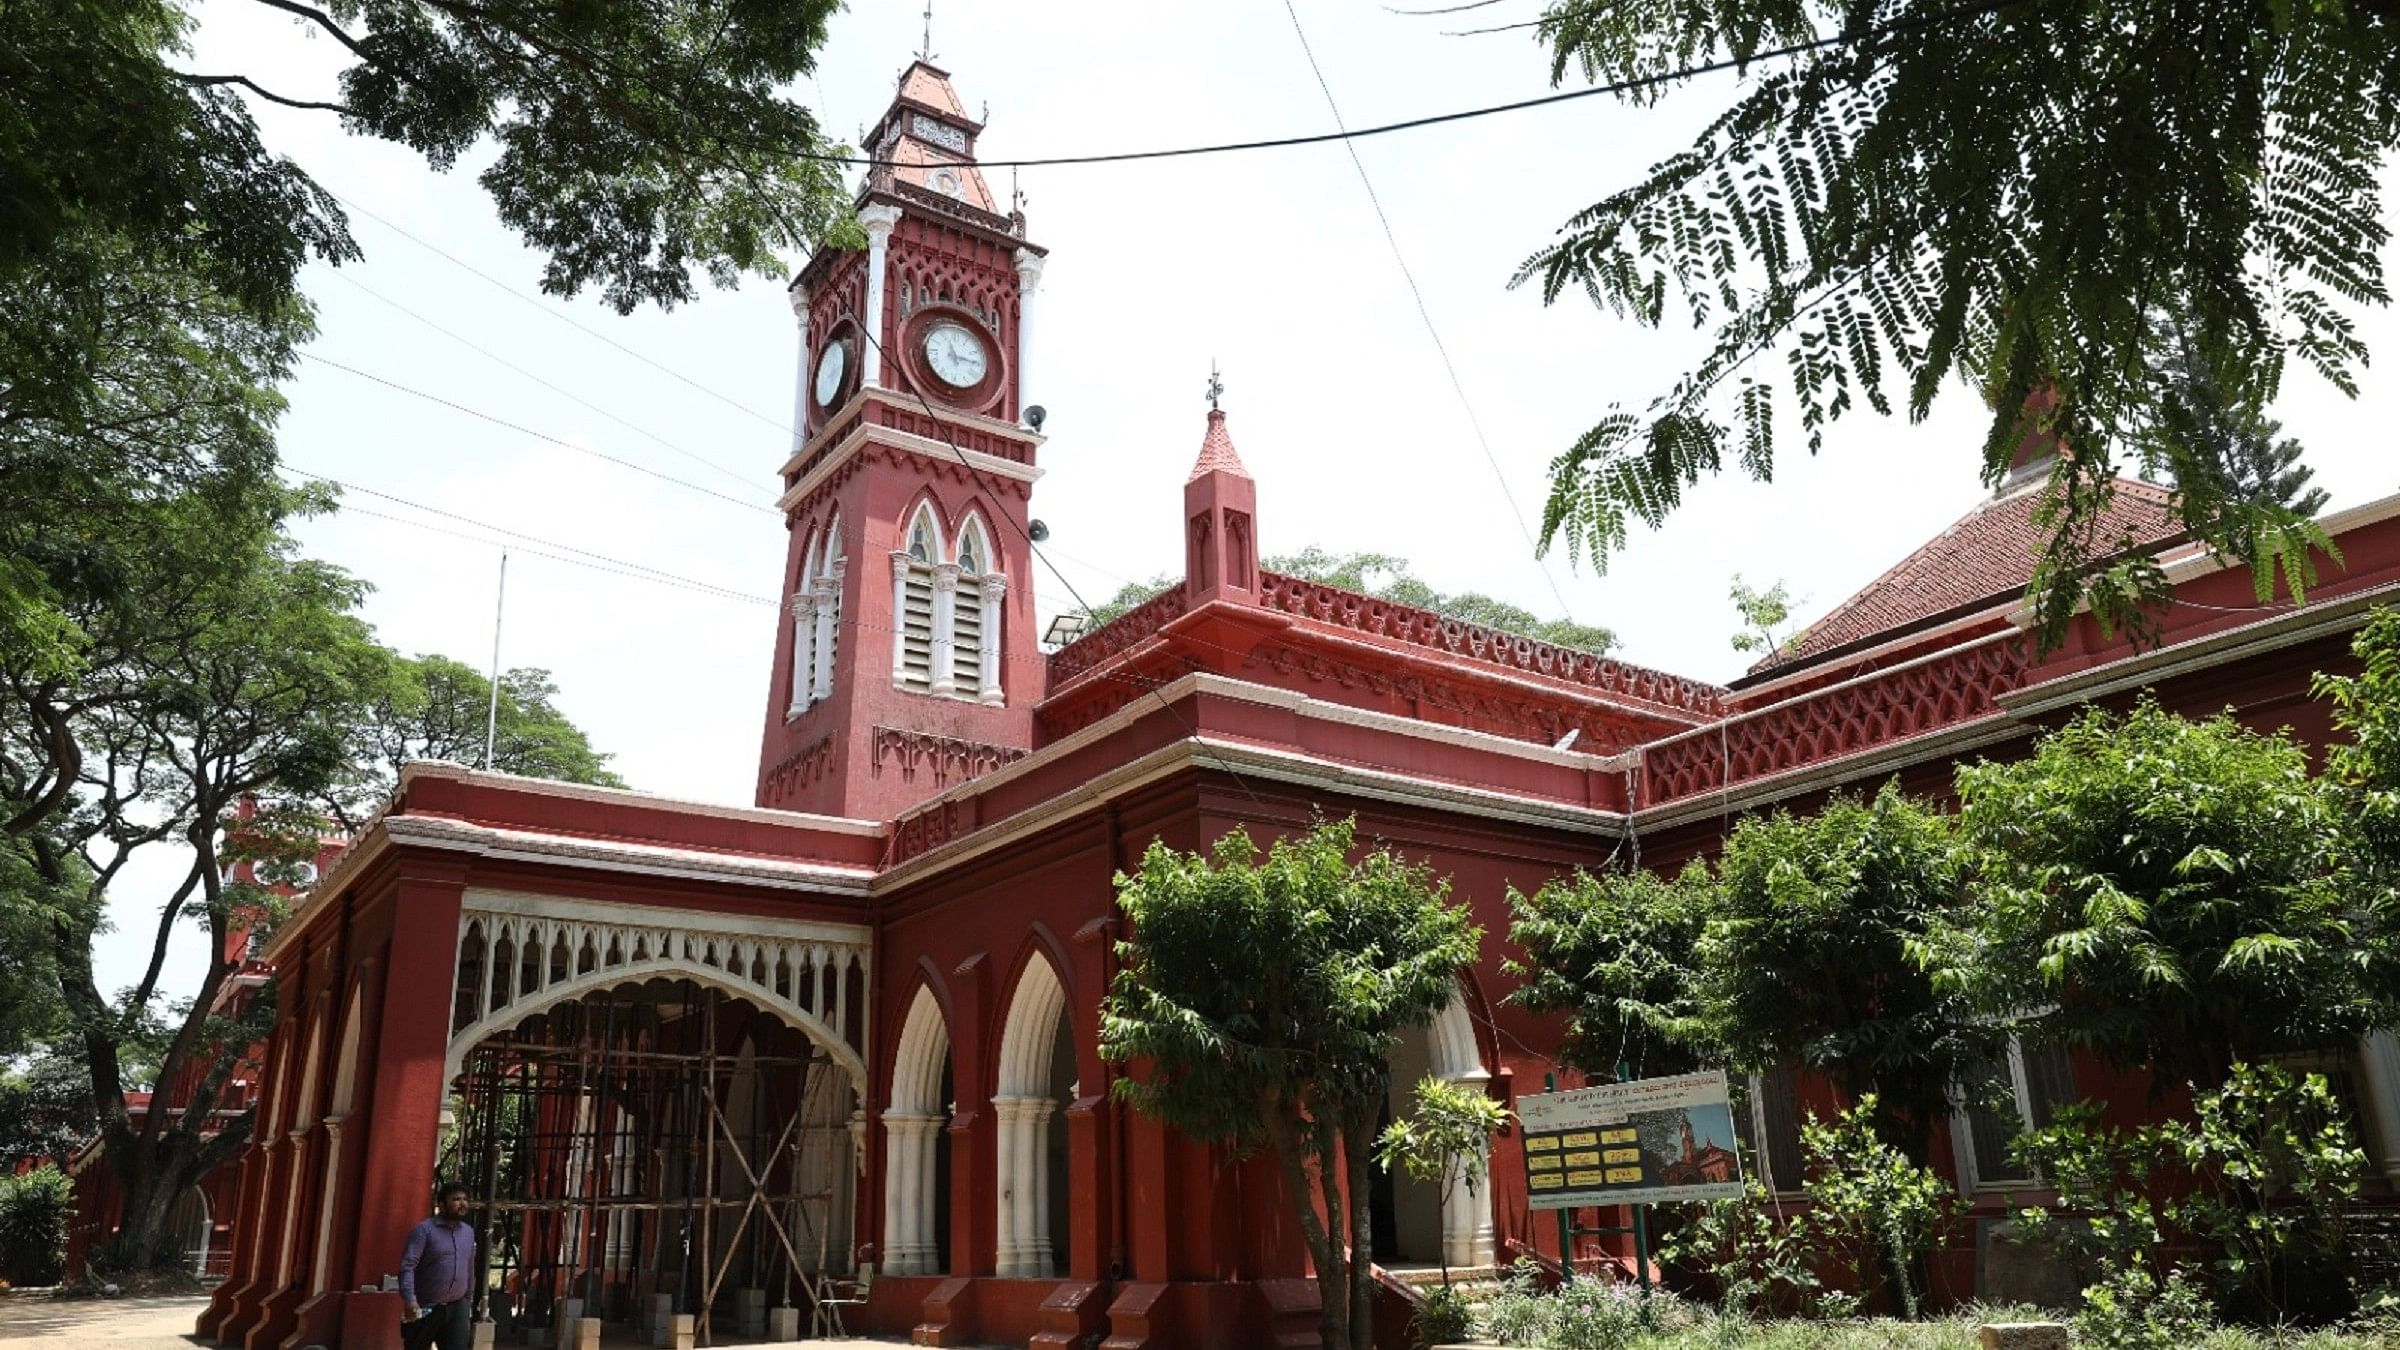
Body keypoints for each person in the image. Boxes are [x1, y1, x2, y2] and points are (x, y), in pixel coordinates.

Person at [400, 1182, 477, 1350]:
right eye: (456, 1199)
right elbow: (408, 1266)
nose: (462, 1203)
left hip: (458, 1307)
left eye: (465, 1199)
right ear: (441, 1204)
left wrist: (468, 1300)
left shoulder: (468, 1232)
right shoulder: (424, 1231)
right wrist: (410, 1300)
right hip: (426, 1305)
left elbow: (470, 1267)